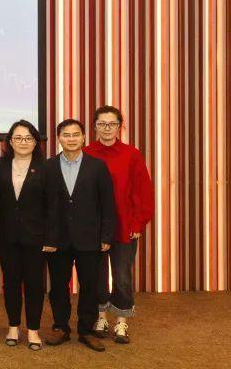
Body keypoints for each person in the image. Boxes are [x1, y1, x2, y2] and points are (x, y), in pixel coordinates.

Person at [44, 119, 118, 352]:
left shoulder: (97, 166)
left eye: (76, 134)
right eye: (66, 135)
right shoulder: (48, 167)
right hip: (57, 240)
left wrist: (106, 236)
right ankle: (61, 327)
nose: (71, 139)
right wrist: (46, 237)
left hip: (90, 238)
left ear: (84, 137)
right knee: (58, 286)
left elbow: (107, 204)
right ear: (59, 138)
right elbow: (42, 206)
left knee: (90, 286)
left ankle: (86, 330)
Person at [84, 105, 154, 344]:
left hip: (125, 225)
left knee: (122, 276)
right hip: (94, 228)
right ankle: (101, 317)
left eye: (112, 124)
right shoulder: (86, 153)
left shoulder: (131, 154)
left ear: (120, 126)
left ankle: (122, 321)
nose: (107, 128)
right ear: (94, 127)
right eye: (101, 124)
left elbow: (143, 191)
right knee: (97, 275)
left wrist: (138, 223)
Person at [0, 120, 57, 351]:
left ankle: (33, 330)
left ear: (36, 142)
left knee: (34, 284)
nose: (23, 142)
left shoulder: (46, 168)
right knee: (10, 283)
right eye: (18, 138)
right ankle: (13, 327)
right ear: (10, 141)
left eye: (28, 138)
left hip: (36, 236)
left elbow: (53, 206)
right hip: (6, 235)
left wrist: (50, 237)